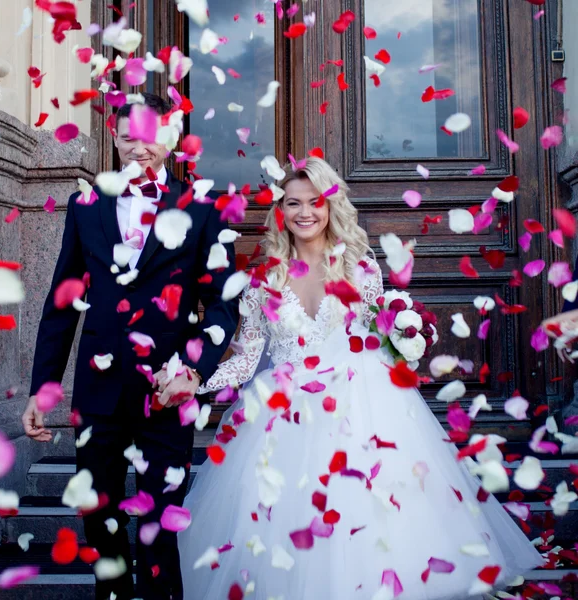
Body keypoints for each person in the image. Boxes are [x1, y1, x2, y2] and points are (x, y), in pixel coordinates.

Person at [177, 157, 544, 599]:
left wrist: (406, 339)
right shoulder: (263, 282)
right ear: (282, 212)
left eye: (315, 202)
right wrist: (194, 381)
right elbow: (245, 357)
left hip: (360, 409)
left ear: (332, 206)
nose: (305, 212)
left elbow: (377, 340)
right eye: (293, 203)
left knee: (371, 509)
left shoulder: (361, 270)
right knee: (284, 516)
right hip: (284, 414)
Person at [22, 93, 240, 600]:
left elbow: (222, 304)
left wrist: (194, 369)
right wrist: (44, 387)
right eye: (128, 135)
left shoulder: (203, 210)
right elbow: (62, 303)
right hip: (97, 395)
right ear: (114, 137)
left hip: (167, 394)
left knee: (161, 526)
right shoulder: (85, 206)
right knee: (100, 525)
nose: (139, 146)